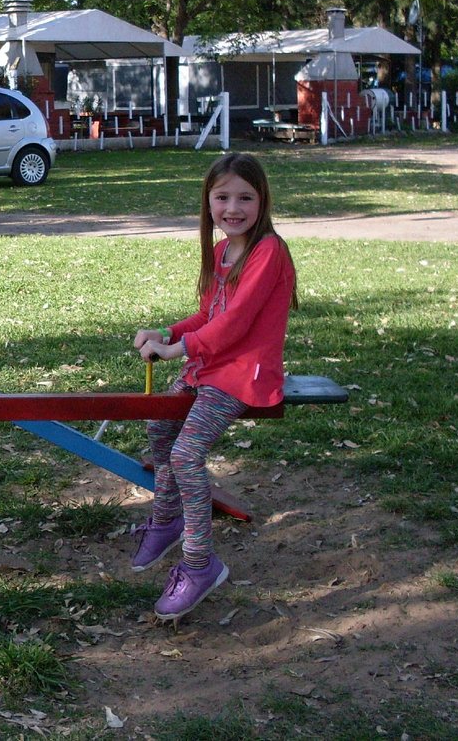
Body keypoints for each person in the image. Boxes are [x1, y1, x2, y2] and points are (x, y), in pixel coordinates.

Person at [129, 152, 298, 621]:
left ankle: (201, 564)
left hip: (244, 373)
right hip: (212, 365)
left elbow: (239, 323)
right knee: (160, 428)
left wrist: (179, 351)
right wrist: (169, 334)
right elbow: (210, 315)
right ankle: (167, 520)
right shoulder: (224, 251)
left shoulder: (268, 251)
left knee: (186, 454)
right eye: (222, 197)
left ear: (262, 201)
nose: (233, 208)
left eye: (245, 197)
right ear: (208, 201)